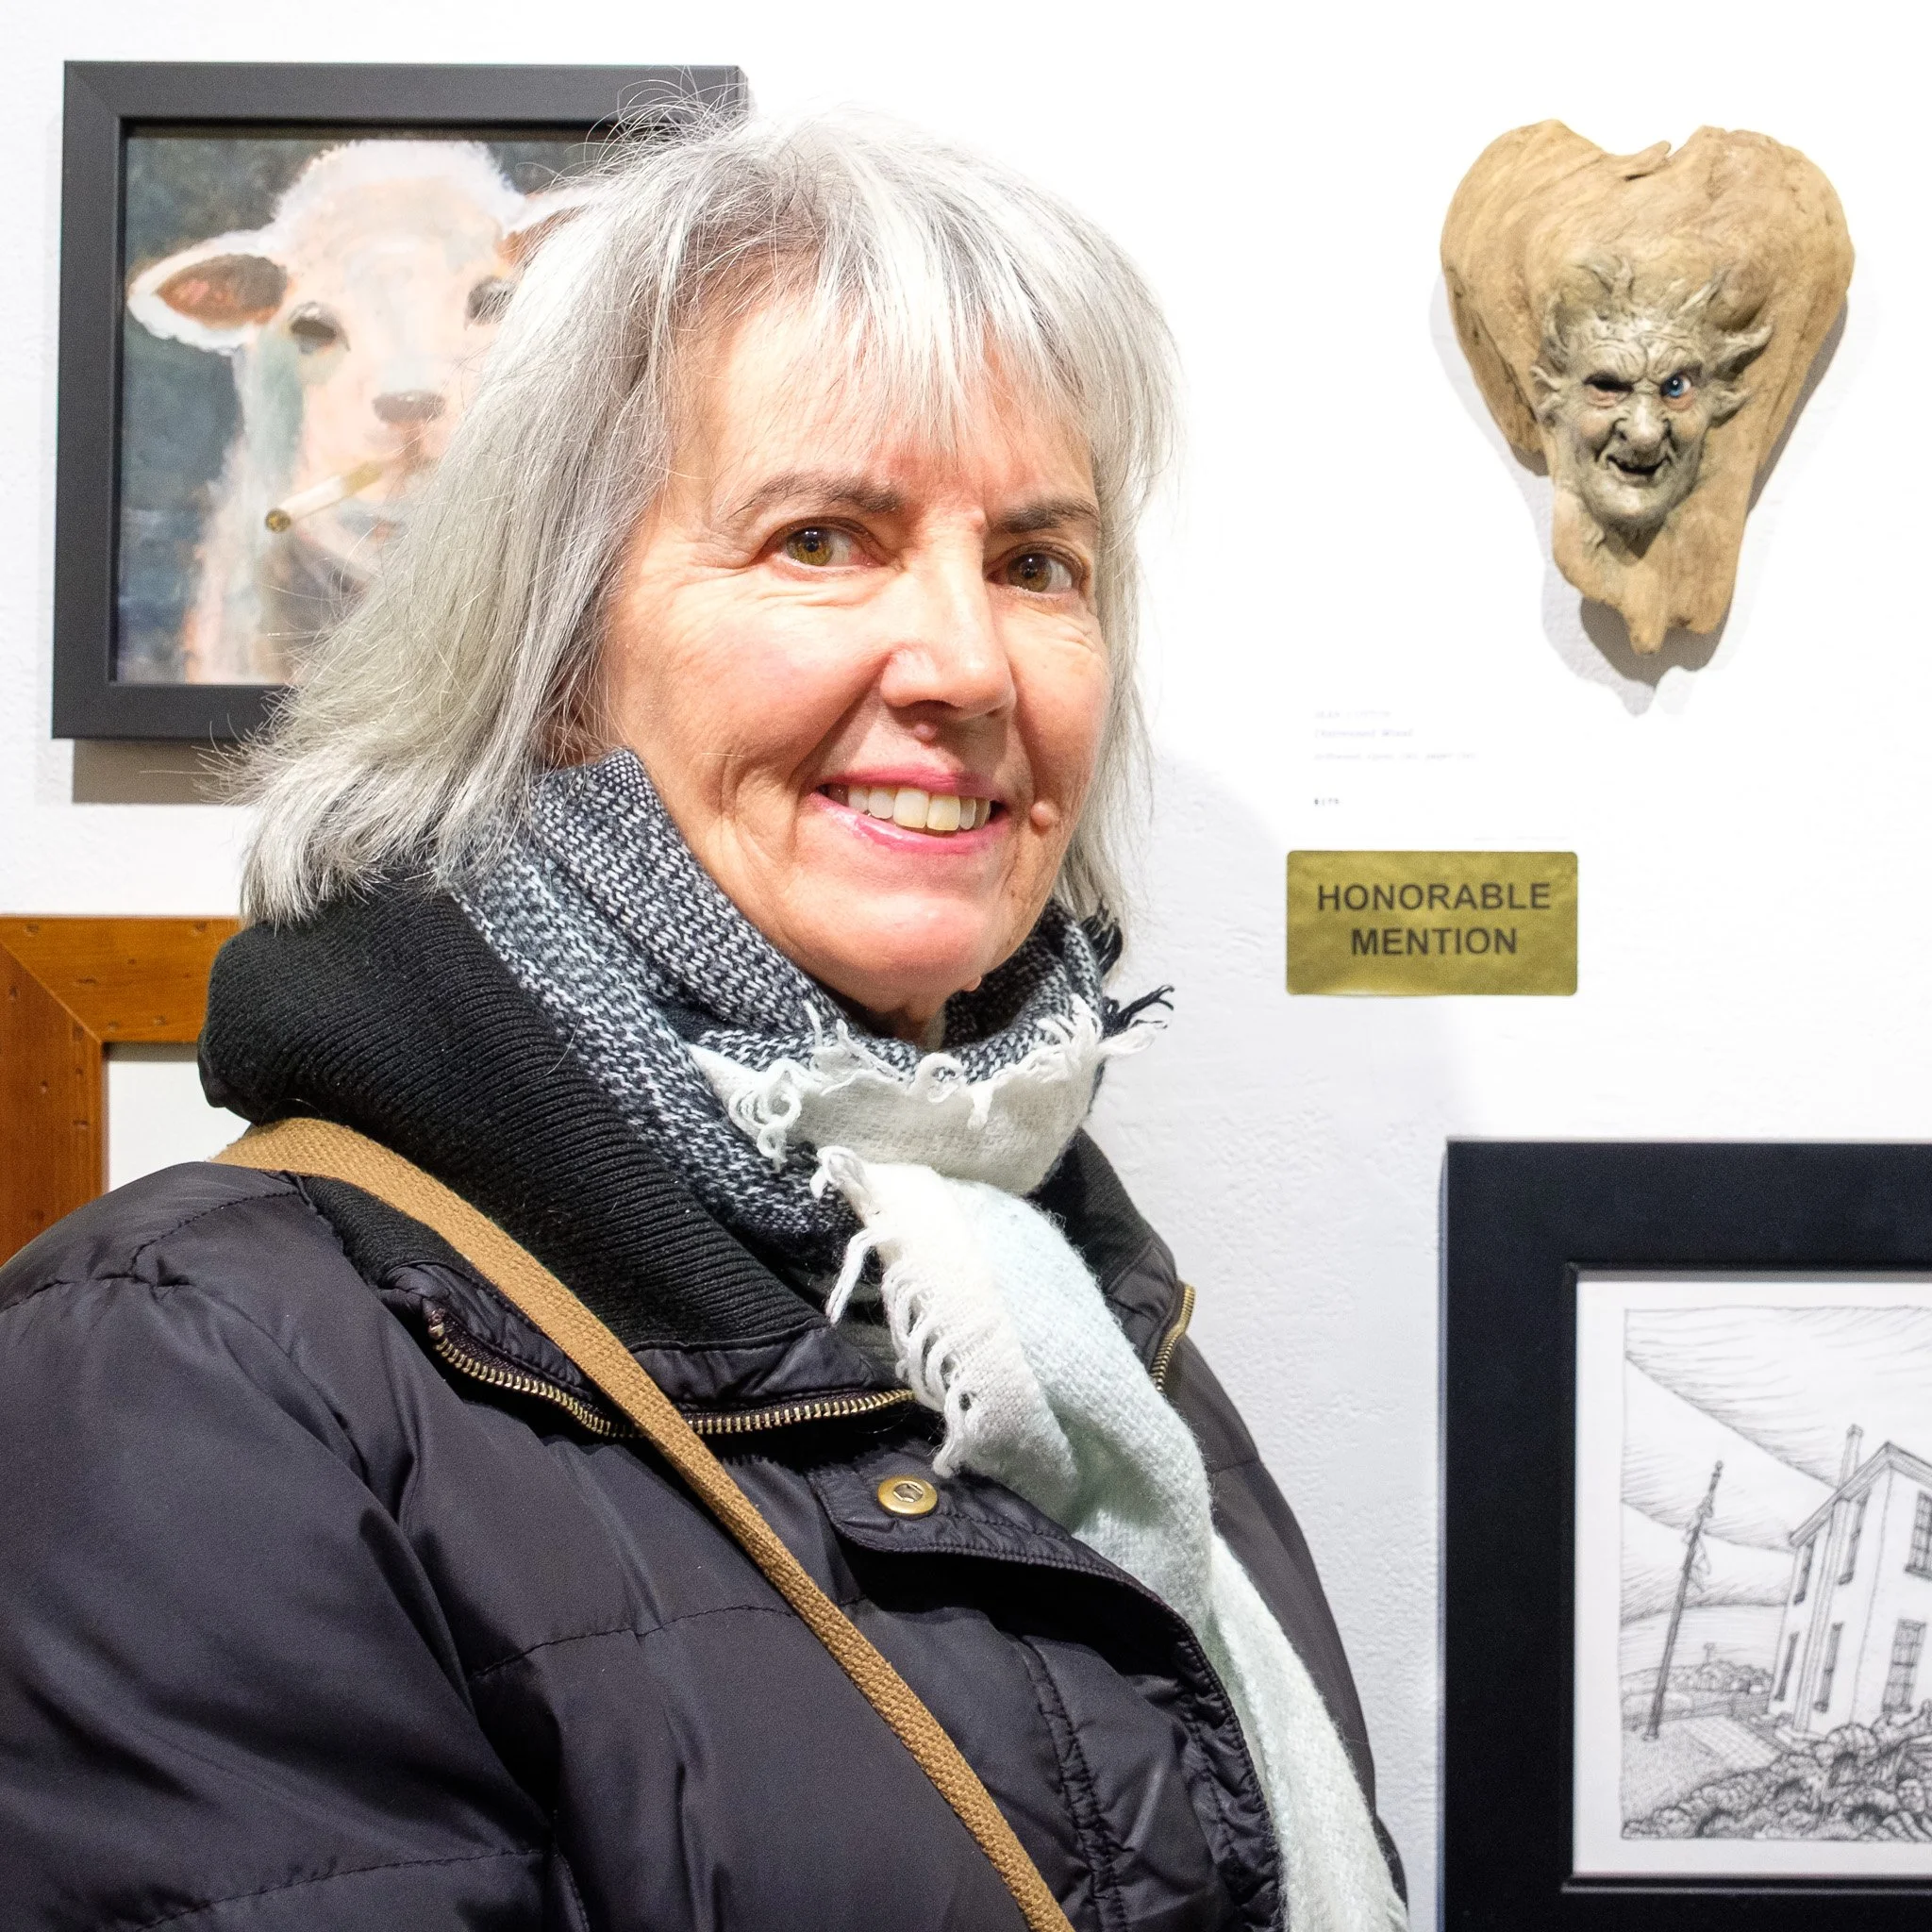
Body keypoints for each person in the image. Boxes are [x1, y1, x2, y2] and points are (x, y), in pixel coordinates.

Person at [0, 111, 1406, 1931]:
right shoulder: (179, 1376)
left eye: (1038, 564)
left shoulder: (1036, 1278)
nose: (971, 664)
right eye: (824, 538)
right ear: (555, 657)